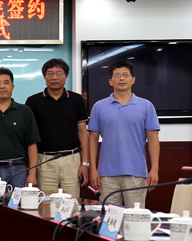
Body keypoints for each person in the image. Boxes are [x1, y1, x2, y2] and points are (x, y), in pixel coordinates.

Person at [88, 60, 160, 207]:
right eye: (117, 75)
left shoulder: (146, 106)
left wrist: (154, 169)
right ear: (111, 81)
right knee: (108, 217)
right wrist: (93, 169)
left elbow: (153, 139)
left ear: (133, 80)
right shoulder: (99, 107)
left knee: (134, 217)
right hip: (106, 174)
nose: (121, 78)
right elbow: (92, 139)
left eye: (126, 75)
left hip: (136, 173)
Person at [25, 58, 90, 198]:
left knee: (71, 203)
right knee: (46, 204)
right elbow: (31, 138)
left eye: (59, 73)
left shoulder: (77, 99)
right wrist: (32, 170)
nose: (54, 77)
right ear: (44, 77)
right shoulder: (33, 101)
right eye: (50, 73)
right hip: (44, 160)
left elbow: (82, 133)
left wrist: (85, 163)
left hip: (71, 160)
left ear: (66, 76)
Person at [0, 67, 41, 194]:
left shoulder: (25, 111)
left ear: (12, 87)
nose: (2, 86)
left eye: (6, 82)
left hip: (18, 170)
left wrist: (32, 174)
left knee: (18, 205)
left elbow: (32, 144)